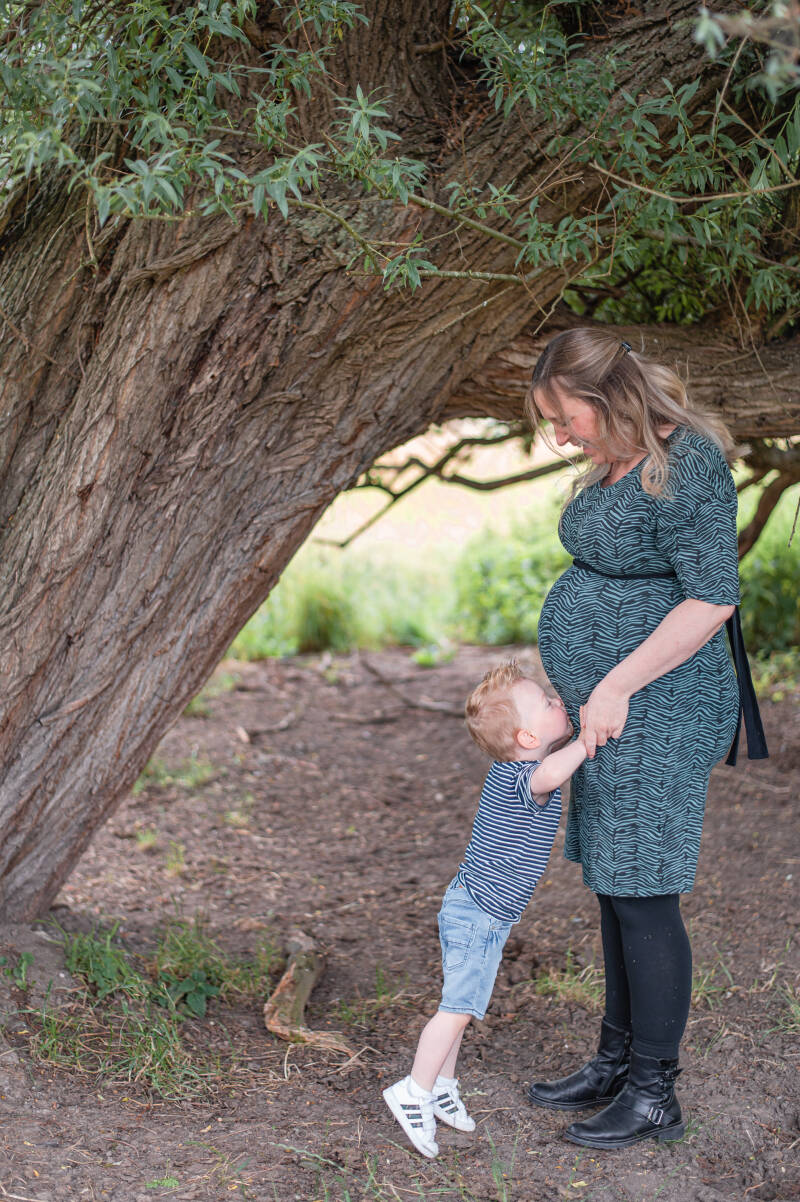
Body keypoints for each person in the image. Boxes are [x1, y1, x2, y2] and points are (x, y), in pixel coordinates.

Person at [525, 327, 766, 1151]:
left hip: (658, 701)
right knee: (616, 879)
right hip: (610, 701)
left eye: (565, 417)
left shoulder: (687, 463)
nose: (558, 435)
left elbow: (710, 599)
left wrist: (618, 682)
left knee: (644, 889)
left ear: (606, 397)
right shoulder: (618, 458)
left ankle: (655, 1091)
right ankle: (615, 1060)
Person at [383, 660, 587, 1158]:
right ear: (525, 735)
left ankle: (442, 1088)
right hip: (477, 915)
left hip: (478, 911)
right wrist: (591, 737)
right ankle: (413, 1090)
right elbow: (556, 771)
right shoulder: (523, 778)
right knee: (456, 1010)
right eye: (547, 702)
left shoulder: (514, 771)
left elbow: (551, 770)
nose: (558, 701)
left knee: (462, 1005)